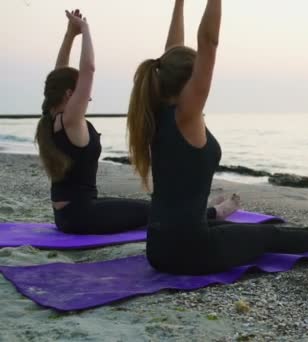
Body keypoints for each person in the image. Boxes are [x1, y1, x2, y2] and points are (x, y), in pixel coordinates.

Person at [127, 0, 308, 275]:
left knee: (237, 229)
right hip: (189, 254)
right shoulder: (185, 116)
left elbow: (170, 56)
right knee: (265, 237)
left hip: (160, 248)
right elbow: (208, 42)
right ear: (192, 81)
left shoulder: (157, 110)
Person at [35, 9, 238, 235]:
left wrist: (70, 35)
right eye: (82, 92)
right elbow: (88, 70)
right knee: (156, 212)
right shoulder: (72, 119)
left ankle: (207, 207)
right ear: (68, 95)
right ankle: (214, 213)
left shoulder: (53, 119)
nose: (88, 97)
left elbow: (59, 76)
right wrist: (85, 29)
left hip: (70, 214)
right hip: (81, 217)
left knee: (145, 207)